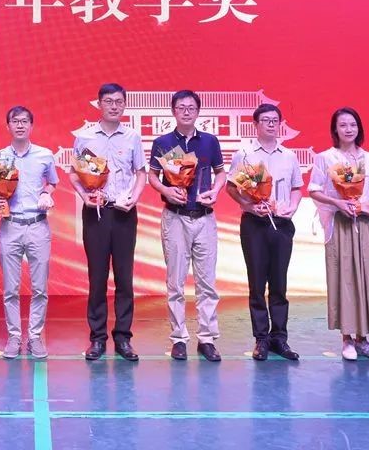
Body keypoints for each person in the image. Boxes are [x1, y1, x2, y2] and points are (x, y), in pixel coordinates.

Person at [69, 83, 147, 362]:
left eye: (119, 102)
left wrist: (134, 198)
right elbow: (74, 174)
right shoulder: (85, 137)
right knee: (97, 277)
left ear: (124, 105)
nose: (114, 106)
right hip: (96, 213)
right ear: (99, 104)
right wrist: (85, 197)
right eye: (109, 101)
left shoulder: (133, 137)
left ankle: (123, 337)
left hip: (124, 213)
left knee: (125, 278)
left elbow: (141, 173)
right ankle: (97, 338)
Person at [147, 89, 226, 362]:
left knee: (207, 283)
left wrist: (215, 191)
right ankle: (179, 338)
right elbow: (153, 176)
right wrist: (166, 191)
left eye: (191, 107)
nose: (186, 112)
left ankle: (207, 339)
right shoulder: (163, 142)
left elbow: (221, 173)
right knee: (175, 282)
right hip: (175, 218)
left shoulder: (210, 142)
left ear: (198, 111)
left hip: (204, 217)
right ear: (173, 111)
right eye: (181, 107)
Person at [309, 107, 369, 362]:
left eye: (353, 125)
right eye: (343, 125)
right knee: (343, 278)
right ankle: (346, 339)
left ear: (359, 128)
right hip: (340, 225)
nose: (348, 129)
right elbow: (314, 190)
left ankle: (363, 340)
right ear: (335, 129)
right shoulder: (325, 158)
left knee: (367, 278)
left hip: (364, 225)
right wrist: (338, 203)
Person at [226, 103, 303, 362]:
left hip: (281, 224)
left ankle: (279, 337)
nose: (271, 124)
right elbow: (231, 187)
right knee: (257, 283)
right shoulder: (244, 154)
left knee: (279, 283)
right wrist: (248, 205)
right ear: (255, 125)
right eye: (266, 120)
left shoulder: (289, 156)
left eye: (275, 120)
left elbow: (297, 188)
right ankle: (261, 338)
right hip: (254, 224)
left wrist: (293, 207)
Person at [0, 106, 59, 360]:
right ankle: (14, 337)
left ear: (31, 125)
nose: (20, 125)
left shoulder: (44, 155)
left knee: (40, 287)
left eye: (24, 121)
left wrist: (46, 193)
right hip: (10, 226)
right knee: (11, 288)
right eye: (15, 121)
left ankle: (35, 336)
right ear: (7, 126)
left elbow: (52, 182)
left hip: (38, 225)